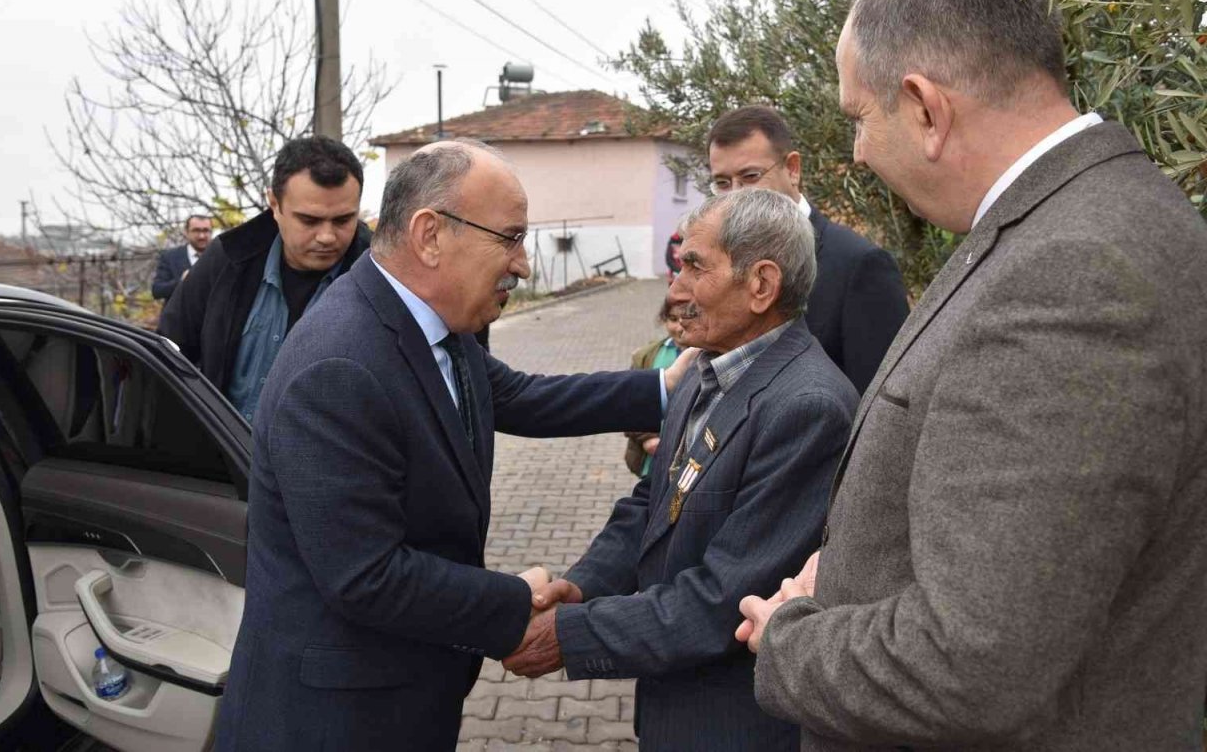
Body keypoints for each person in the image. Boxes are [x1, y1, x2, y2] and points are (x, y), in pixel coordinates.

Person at [738, 0, 1207, 752]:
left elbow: (972, 665)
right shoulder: (1094, 220)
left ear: (924, 108)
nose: (856, 149)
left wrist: (791, 635)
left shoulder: (1075, 274)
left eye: (859, 116)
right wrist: (855, 571)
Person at [213, 139, 696, 752]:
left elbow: (518, 397)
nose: (522, 264)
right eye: (510, 237)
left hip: (403, 689)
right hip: (332, 719)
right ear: (431, 234)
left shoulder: (432, 323)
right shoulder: (337, 366)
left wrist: (662, 388)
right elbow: (367, 576)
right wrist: (515, 603)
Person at [504, 188, 858, 752]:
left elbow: (724, 600)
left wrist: (570, 637)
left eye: (695, 267)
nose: (675, 290)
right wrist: (584, 585)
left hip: (735, 724)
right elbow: (651, 504)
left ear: (762, 285)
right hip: (674, 706)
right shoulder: (705, 367)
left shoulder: (806, 408)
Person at [159, 135, 372, 421]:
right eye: (308, 220)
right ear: (274, 203)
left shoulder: (379, 277)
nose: (326, 236)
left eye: (343, 220)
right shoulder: (228, 258)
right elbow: (170, 351)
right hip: (220, 457)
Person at [708, 104, 909, 392]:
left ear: (792, 169)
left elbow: (880, 402)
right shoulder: (721, 263)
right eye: (722, 183)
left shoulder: (860, 266)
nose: (736, 196)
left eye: (750, 177)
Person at [622, 297, 686, 477]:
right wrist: (648, 438)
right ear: (663, 319)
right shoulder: (646, 356)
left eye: (687, 319)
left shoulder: (709, 354)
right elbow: (629, 404)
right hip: (652, 457)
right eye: (673, 319)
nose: (680, 327)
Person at [151, 214, 212, 302]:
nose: (201, 236)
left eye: (206, 230)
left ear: (211, 232)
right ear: (186, 232)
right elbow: (157, 291)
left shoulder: (223, 257)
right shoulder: (170, 257)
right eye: (196, 230)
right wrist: (181, 282)